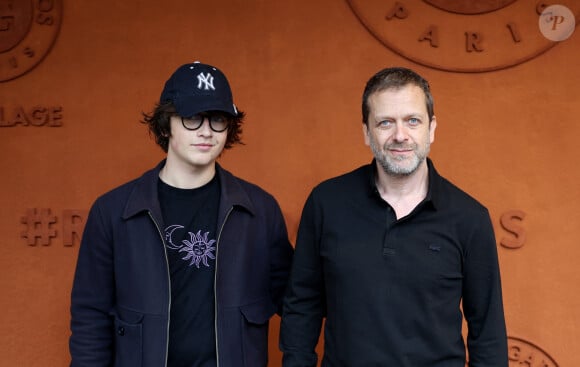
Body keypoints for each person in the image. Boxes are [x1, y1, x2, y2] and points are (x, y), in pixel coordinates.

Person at [69, 61, 294, 367]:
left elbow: (295, 300)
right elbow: (90, 315)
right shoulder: (113, 212)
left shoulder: (259, 209)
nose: (206, 132)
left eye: (217, 120)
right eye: (191, 118)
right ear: (165, 125)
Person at [280, 67, 508, 366]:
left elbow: (488, 332)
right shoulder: (326, 203)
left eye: (413, 121)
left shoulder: (469, 218)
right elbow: (302, 306)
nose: (400, 136)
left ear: (432, 127)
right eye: (385, 122)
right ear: (366, 131)